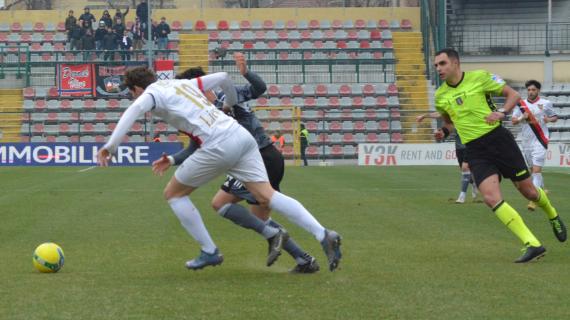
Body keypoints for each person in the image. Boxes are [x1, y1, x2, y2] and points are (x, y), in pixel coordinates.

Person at [97, 67, 342, 272]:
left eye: (131, 93)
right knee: (267, 195)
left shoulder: (151, 94)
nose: (134, 97)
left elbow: (133, 111)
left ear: (137, 88)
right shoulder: (184, 84)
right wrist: (231, 105)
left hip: (217, 144)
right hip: (240, 137)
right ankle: (323, 234)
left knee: (174, 194)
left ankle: (209, 251)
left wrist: (111, 145)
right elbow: (225, 76)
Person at [163, 53, 321, 273]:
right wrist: (170, 159)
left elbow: (259, 88)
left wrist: (245, 72)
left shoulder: (227, 97)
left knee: (222, 203)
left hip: (260, 157)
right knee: (260, 217)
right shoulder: (199, 112)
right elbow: (193, 147)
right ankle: (305, 260)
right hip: (248, 161)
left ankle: (317, 235)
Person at [433, 48, 566, 263]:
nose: (438, 68)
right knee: (490, 197)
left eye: (442, 63)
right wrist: (443, 132)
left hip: (498, 140)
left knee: (529, 192)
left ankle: (552, 213)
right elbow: (449, 122)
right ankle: (532, 243)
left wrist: (502, 112)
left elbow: (512, 95)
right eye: (436, 65)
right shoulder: (440, 96)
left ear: (455, 63)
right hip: (475, 150)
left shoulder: (480, 77)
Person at [511, 80, 558, 211]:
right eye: (529, 90)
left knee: (536, 171)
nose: (531, 92)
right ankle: (542, 190)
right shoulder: (520, 105)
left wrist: (547, 119)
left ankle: (534, 200)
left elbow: (554, 117)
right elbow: (513, 121)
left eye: (533, 90)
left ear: (538, 91)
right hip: (526, 142)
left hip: (540, 139)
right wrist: (522, 118)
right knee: (532, 170)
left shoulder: (545, 103)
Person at [416, 112, 478, 203]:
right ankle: (474, 183)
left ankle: (462, 196)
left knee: (465, 168)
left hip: (470, 145)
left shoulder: (467, 113)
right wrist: (442, 133)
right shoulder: (452, 114)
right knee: (464, 170)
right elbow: (440, 115)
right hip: (459, 147)